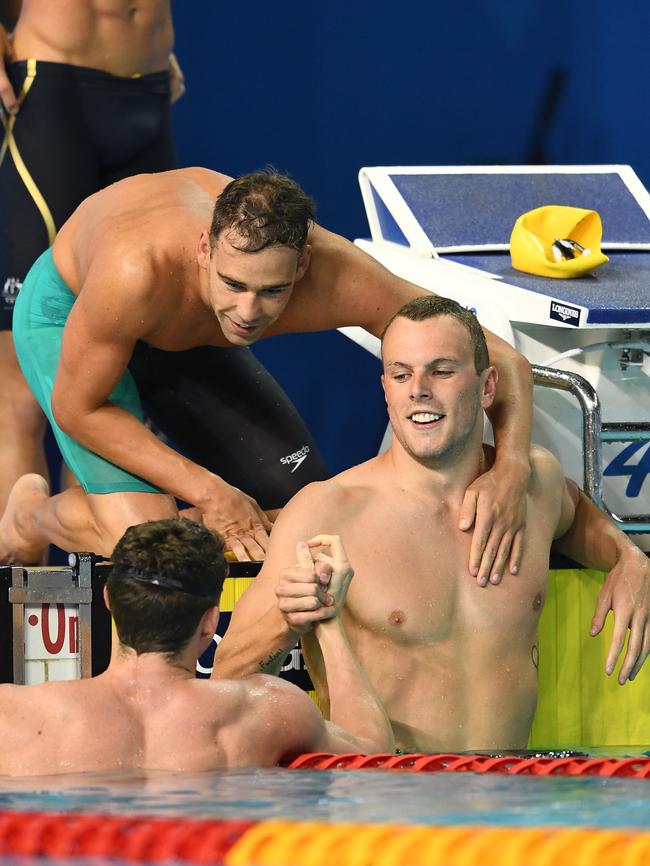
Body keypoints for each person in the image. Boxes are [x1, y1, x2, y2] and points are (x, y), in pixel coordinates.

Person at [0, 167, 533, 574]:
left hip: (190, 332)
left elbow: (501, 357)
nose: (250, 313)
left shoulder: (335, 275)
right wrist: (211, 492)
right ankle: (31, 517)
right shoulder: (135, 272)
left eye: (272, 291)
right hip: (72, 311)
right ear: (206, 249)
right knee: (152, 544)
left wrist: (511, 470)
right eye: (235, 284)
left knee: (307, 511)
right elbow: (78, 408)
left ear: (302, 265)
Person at [212, 296, 650, 753]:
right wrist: (288, 619)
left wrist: (627, 556)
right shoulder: (329, 511)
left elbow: (577, 515)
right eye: (402, 375)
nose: (418, 389)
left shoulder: (532, 486)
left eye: (441, 371)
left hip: (509, 797)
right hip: (389, 802)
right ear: (385, 388)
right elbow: (227, 678)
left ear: (486, 387)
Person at [0, 518, 393, 776]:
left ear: (107, 599)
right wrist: (327, 616)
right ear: (210, 621)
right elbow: (375, 760)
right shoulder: (265, 709)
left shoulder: (13, 715)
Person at [0, 0, 183, 518]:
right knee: (22, 384)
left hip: (146, 82)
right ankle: (14, 591)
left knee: (132, 361)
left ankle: (103, 589)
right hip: (52, 86)